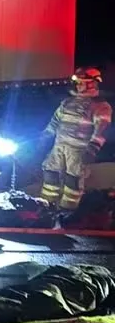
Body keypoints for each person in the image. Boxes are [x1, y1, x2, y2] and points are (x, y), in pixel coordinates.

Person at [39, 67, 111, 214]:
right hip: (59, 146)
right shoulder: (67, 102)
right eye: (77, 82)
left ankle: (67, 211)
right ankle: (46, 206)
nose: (78, 85)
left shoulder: (100, 106)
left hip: (78, 150)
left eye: (82, 82)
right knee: (50, 173)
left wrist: (92, 149)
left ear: (92, 84)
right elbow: (55, 122)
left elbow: (101, 131)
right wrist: (44, 137)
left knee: (73, 180)